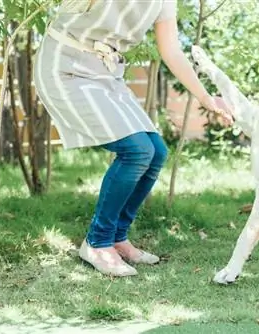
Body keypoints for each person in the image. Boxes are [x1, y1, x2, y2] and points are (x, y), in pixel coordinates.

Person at [33, 0, 230, 276]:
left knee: (156, 152)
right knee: (136, 151)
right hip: (66, 66)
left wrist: (206, 99)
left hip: (106, 73)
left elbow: (171, 51)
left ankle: (116, 237)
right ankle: (97, 242)